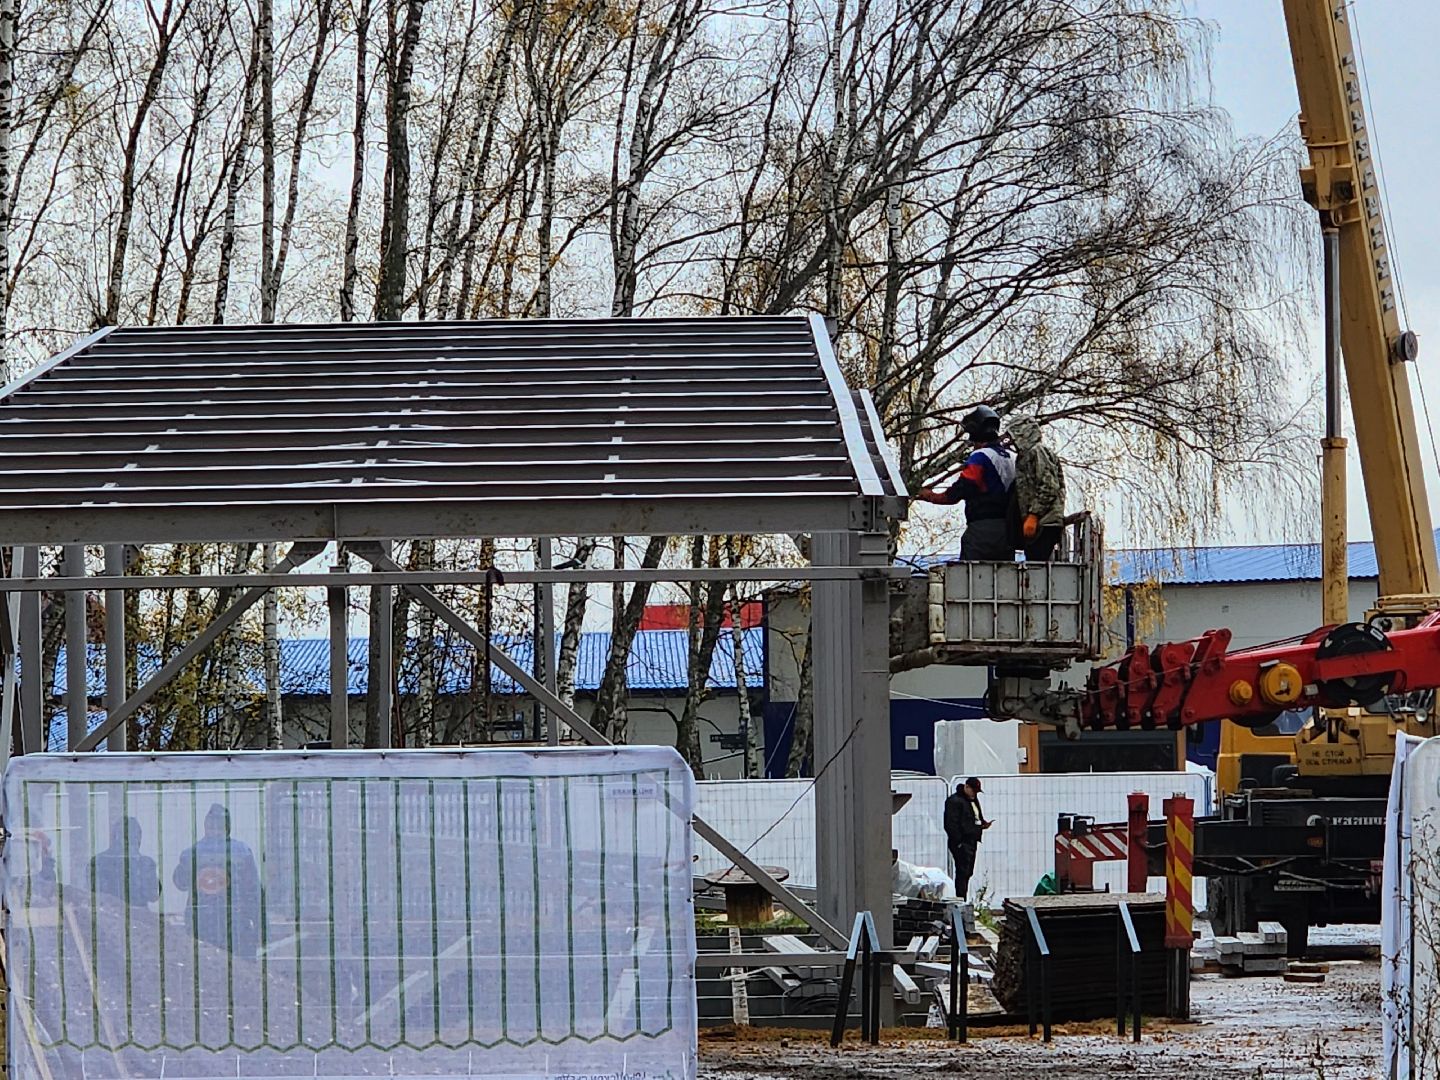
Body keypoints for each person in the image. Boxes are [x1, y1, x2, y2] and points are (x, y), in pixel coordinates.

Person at [916, 405, 1016, 560]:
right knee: (1005, 578)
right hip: (1008, 531)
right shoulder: (1013, 457)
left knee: (969, 578)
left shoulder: (980, 457)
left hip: (982, 531)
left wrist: (928, 495)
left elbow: (958, 491)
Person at [173, 803, 262, 958]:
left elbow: (179, 883)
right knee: (240, 974)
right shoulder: (242, 852)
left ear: (206, 826)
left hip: (201, 923)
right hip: (235, 923)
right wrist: (260, 927)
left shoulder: (190, 853)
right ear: (228, 827)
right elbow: (254, 892)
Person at [1009, 416, 1065, 562]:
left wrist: (1033, 516)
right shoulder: (1025, 455)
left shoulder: (1037, 451)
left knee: (1037, 569)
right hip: (1038, 522)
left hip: (1045, 521)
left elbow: (1049, 486)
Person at [91, 816, 161, 907]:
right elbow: (93, 896)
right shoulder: (99, 862)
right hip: (110, 916)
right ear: (115, 837)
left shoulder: (146, 863)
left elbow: (153, 896)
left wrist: (141, 871)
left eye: (135, 837)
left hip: (139, 917)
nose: (131, 841)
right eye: (126, 837)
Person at [943, 776, 993, 900]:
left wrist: (982, 824)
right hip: (962, 842)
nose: (974, 794)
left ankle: (962, 898)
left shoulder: (973, 800)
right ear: (966, 787)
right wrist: (958, 842)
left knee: (968, 872)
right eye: (973, 791)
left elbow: (975, 817)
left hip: (972, 840)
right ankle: (961, 899)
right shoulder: (954, 801)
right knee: (962, 872)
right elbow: (951, 824)